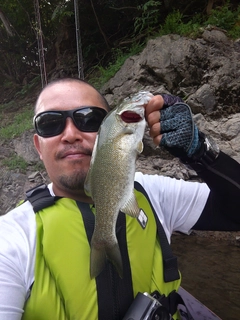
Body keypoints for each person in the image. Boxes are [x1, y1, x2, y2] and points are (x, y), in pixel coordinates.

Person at [0, 77, 239, 320]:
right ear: (38, 147)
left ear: (106, 131)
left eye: (89, 119)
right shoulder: (10, 238)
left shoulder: (153, 193)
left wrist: (200, 152)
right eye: (50, 123)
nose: (70, 134)